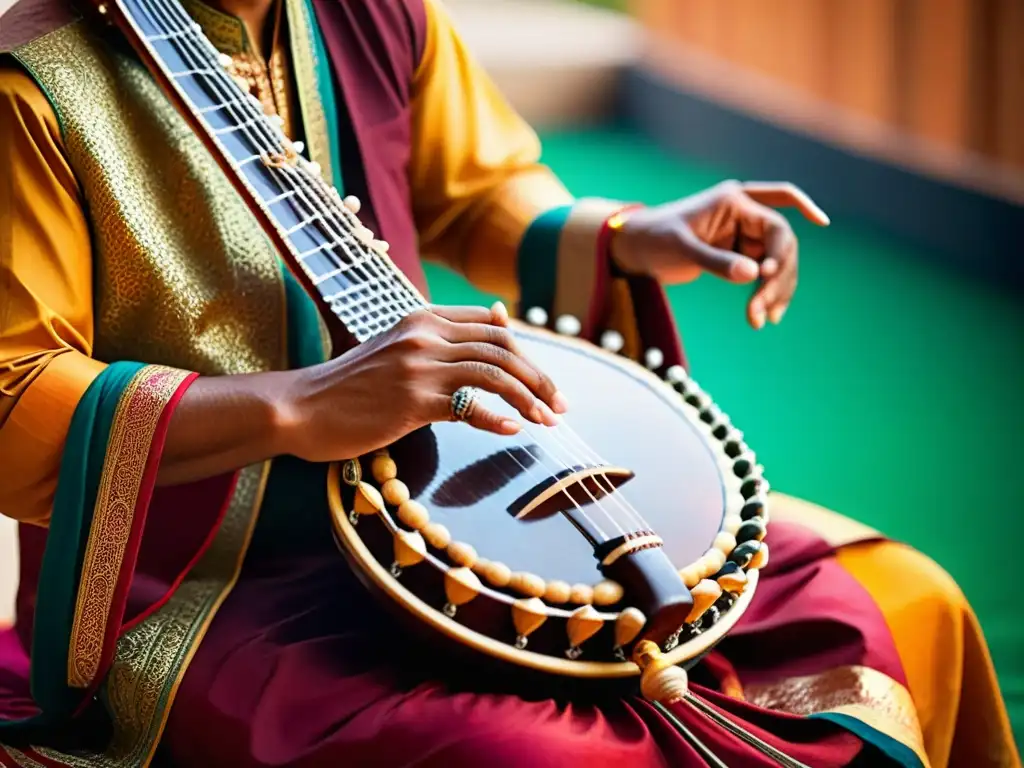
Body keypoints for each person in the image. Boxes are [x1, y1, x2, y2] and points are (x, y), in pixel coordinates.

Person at [0, 0, 1017, 765]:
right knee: (540, 756)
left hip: (449, 491)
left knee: (906, 592)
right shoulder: (34, 87)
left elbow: (474, 193)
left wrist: (633, 234)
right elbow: (13, 393)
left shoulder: (368, 13)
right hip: (207, 579)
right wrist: (298, 407)